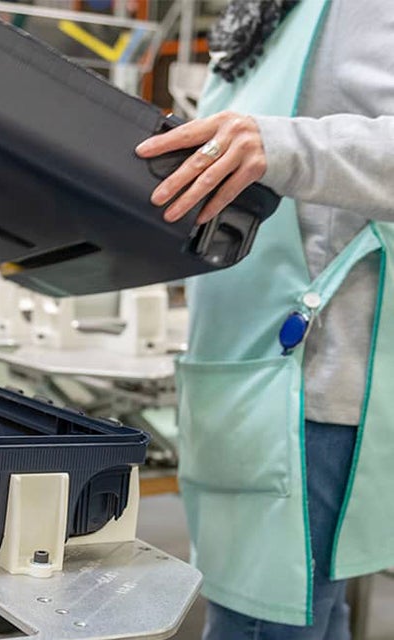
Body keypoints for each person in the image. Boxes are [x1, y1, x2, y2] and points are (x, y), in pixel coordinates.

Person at [134, 1, 394, 639]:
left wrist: (279, 145)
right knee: (270, 615)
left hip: (305, 393)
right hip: (236, 372)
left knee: (266, 622)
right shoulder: (264, 14)